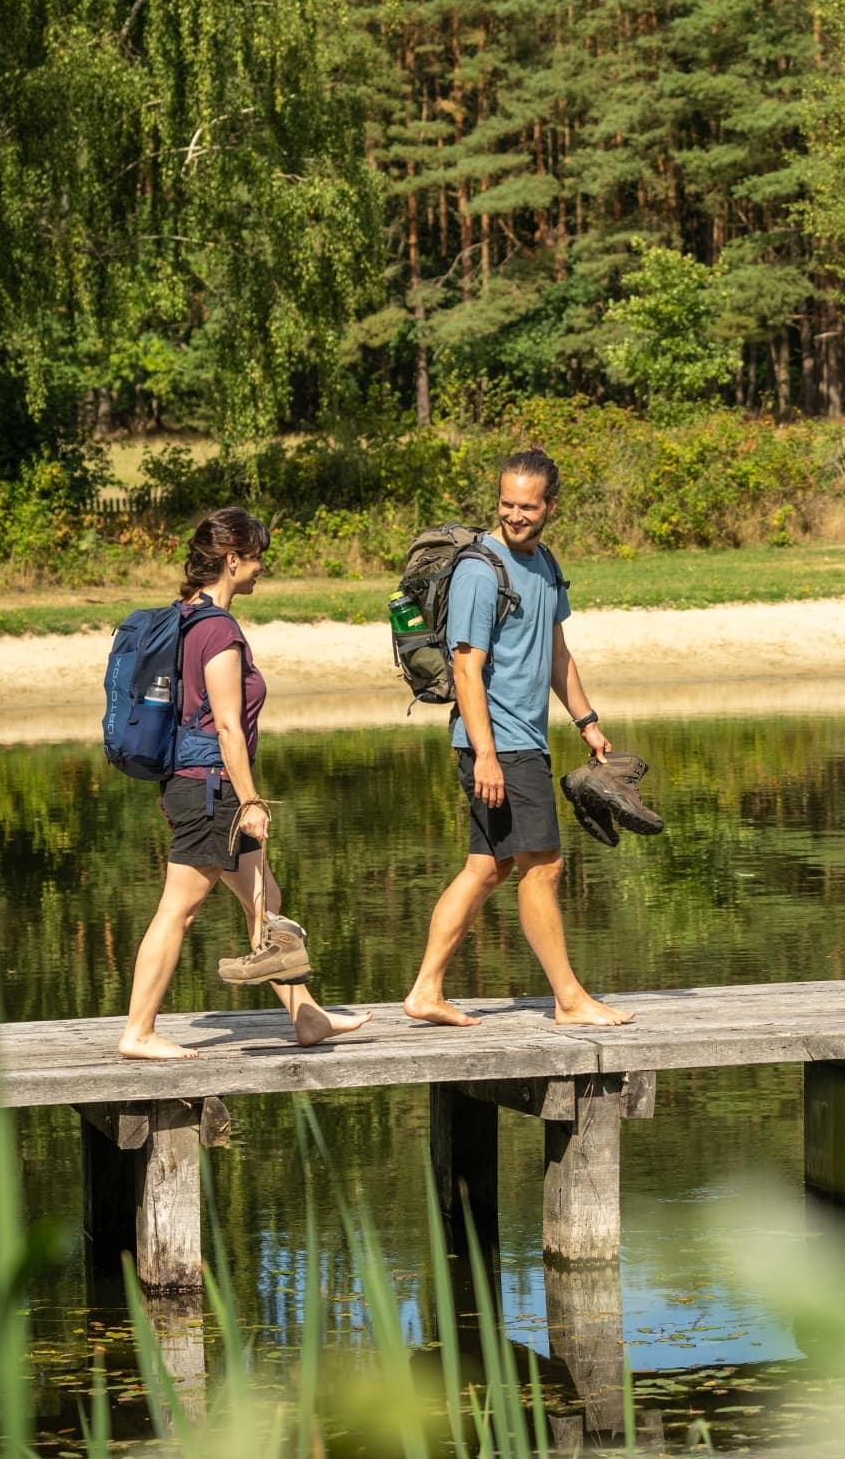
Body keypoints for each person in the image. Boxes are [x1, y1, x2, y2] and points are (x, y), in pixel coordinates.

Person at [116, 508, 365, 1060]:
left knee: (264, 900)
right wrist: (250, 801)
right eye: (256, 559)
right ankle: (138, 1031)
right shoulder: (218, 630)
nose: (260, 570)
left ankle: (308, 1018)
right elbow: (226, 724)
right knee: (178, 909)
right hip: (213, 790)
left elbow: (185, 715)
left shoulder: (184, 618)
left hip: (194, 783)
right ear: (232, 560)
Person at [402, 451, 634, 1029]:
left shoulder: (545, 563)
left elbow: (557, 654)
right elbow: (464, 669)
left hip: (523, 739)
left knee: (487, 868)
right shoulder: (482, 571)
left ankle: (426, 990)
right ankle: (569, 999)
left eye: (528, 506)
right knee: (544, 867)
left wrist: (587, 722)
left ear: (550, 506)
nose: (515, 515)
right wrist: (485, 754)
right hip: (500, 743)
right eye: (507, 503)